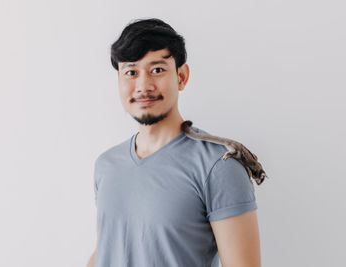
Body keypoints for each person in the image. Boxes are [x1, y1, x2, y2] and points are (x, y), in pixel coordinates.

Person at [87, 18, 261, 267]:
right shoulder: (106, 165)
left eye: (157, 70)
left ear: (181, 76)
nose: (143, 86)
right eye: (131, 72)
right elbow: (105, 250)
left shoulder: (219, 166)